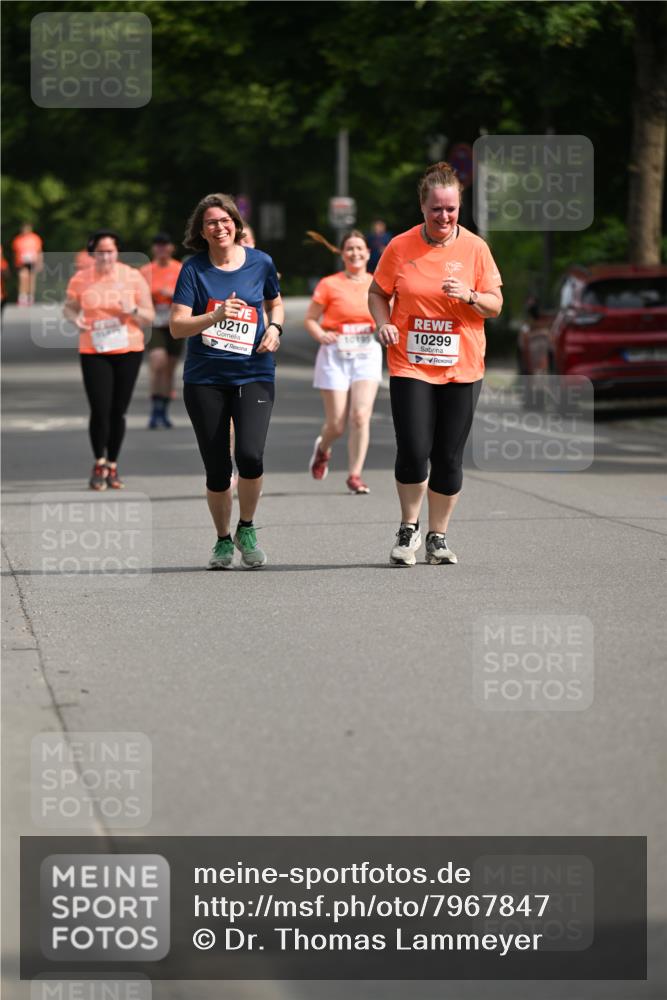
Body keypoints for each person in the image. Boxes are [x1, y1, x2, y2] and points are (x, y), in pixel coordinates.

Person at [368, 161, 503, 566]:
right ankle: (408, 529)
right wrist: (384, 323)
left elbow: (495, 306)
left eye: (451, 209)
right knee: (413, 448)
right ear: (422, 207)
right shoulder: (400, 246)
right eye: (436, 209)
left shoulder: (476, 248)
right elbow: (377, 293)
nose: (444, 217)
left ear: (460, 208)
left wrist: (469, 295)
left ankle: (438, 536)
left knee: (448, 455)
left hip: (462, 366)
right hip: (410, 362)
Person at [170, 194, 283, 570]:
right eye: (211, 223)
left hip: (254, 372)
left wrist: (276, 328)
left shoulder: (260, 262)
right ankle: (221, 539)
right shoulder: (193, 270)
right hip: (206, 378)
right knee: (217, 468)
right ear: (201, 231)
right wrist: (216, 315)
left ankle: (246, 528)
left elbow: (275, 302)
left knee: (250, 455)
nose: (220, 228)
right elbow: (176, 326)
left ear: (236, 223)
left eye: (225, 220)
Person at [63, 230, 154, 490]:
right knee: (99, 410)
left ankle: (113, 464)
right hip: (94, 350)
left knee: (118, 411)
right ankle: (99, 461)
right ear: (92, 253)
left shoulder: (132, 276)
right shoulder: (81, 278)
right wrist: (74, 318)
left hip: (128, 349)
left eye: (110, 251)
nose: (106, 256)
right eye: (100, 251)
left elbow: (148, 316)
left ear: (118, 252)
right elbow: (69, 306)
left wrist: (132, 310)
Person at [304, 230, 382, 494]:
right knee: (337, 424)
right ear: (342, 253)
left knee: (360, 416)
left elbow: (390, 316)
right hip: (335, 354)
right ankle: (323, 448)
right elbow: (310, 319)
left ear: (369, 253)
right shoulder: (329, 284)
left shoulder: (378, 283)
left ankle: (355, 475)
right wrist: (321, 334)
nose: (355, 253)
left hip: (367, 352)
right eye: (349, 248)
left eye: (360, 248)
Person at [141, 233, 183, 428]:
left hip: (175, 322)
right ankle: (155, 410)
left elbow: (190, 294)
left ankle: (164, 412)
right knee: (158, 362)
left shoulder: (180, 269)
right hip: (154, 322)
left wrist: (172, 294)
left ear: (171, 248)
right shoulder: (145, 271)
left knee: (170, 368)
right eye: (157, 245)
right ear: (153, 249)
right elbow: (137, 295)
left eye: (165, 245)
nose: (161, 249)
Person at [11, 223, 43, 306]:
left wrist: (40, 263)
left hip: (33, 261)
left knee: (31, 279)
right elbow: (15, 252)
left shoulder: (35, 238)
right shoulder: (18, 239)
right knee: (23, 277)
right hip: (22, 262)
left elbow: (39, 251)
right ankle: (22, 297)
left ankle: (31, 297)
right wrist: (16, 262)